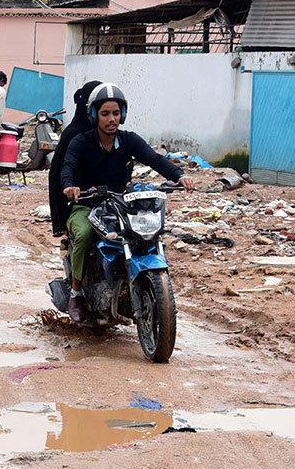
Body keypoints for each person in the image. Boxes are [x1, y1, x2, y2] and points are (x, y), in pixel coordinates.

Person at [59, 83, 194, 323]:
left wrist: (179, 175)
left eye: (116, 113)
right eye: (105, 114)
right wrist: (70, 186)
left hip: (120, 204)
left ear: (123, 114)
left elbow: (154, 159)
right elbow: (67, 165)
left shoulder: (129, 140)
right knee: (86, 235)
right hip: (86, 205)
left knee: (146, 235)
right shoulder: (81, 141)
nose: (112, 119)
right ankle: (76, 293)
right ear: (93, 115)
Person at [47, 79, 101, 239]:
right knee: (84, 238)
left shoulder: (112, 136)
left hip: (107, 202)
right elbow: (59, 174)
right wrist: (60, 220)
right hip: (79, 203)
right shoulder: (74, 135)